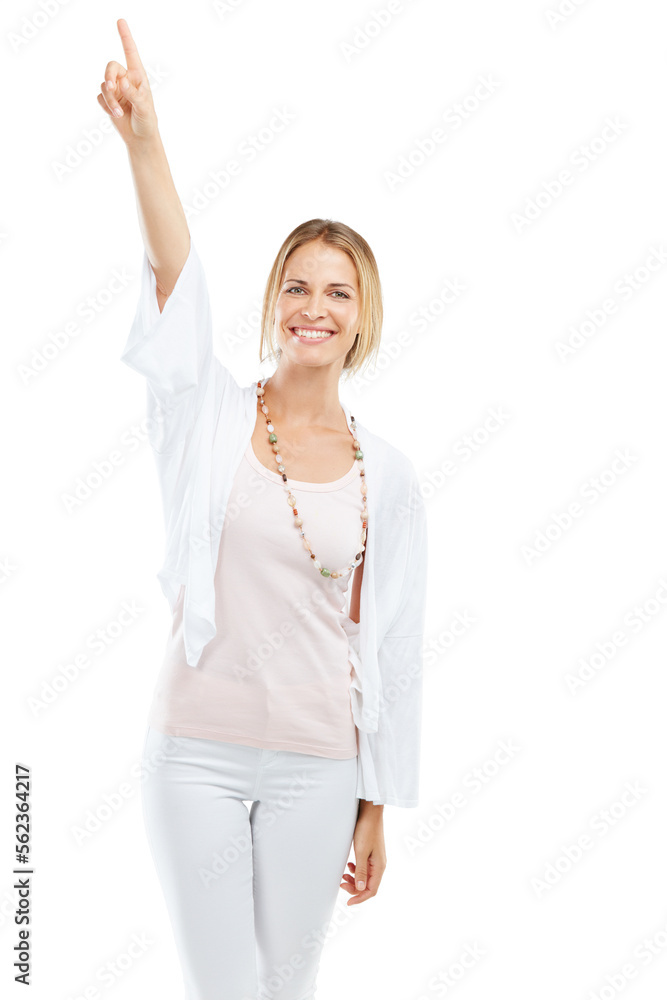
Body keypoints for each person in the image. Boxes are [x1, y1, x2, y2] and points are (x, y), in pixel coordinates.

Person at [99, 18, 428, 1000]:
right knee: (226, 989)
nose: (312, 306)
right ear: (273, 303)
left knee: (283, 989)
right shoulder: (207, 417)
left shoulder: (389, 475)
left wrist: (376, 805)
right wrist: (144, 141)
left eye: (336, 290)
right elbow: (176, 285)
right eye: (295, 285)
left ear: (361, 315)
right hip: (195, 749)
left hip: (318, 769)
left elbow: (392, 644)